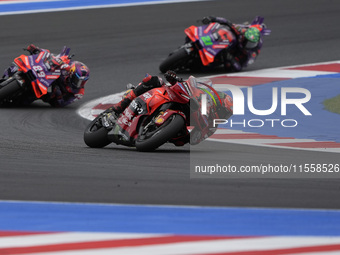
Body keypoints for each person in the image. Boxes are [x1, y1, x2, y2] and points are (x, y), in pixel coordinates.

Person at [108, 70, 233, 146]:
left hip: (179, 128)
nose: (223, 116)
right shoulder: (203, 96)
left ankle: (151, 131)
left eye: (226, 115)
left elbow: (195, 140)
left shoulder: (211, 126)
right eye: (224, 112)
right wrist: (174, 78)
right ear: (218, 102)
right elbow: (188, 84)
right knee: (153, 80)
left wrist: (191, 134)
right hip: (171, 96)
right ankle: (119, 107)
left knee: (180, 141)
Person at [1, 44, 90, 107]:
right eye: (77, 80)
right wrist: (37, 50)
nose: (79, 84)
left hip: (49, 94)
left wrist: (56, 96)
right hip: (42, 75)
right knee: (18, 65)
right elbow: (51, 56)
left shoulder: (78, 93)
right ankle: (6, 79)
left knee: (26, 100)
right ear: (71, 73)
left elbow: (62, 103)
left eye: (82, 82)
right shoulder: (66, 67)